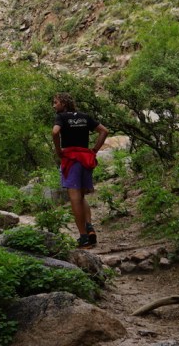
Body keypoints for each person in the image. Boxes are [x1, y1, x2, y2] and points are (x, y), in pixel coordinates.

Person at [52, 92, 108, 248]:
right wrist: (95, 150)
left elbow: (55, 132)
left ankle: (83, 237)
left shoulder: (61, 118)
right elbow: (104, 131)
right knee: (81, 196)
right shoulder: (84, 116)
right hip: (86, 159)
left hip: (71, 159)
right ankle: (89, 227)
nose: (54, 105)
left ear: (63, 104)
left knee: (75, 197)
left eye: (55, 102)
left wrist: (58, 150)